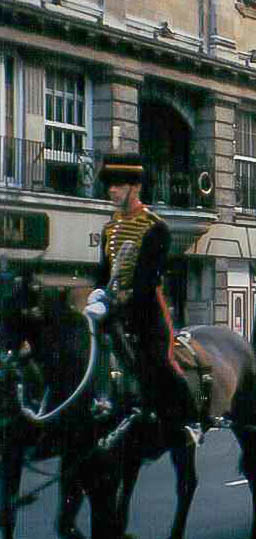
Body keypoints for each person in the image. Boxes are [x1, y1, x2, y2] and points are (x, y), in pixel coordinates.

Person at [89, 152, 197, 450]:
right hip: (110, 311)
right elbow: (103, 271)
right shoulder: (109, 228)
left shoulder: (155, 227)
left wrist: (120, 300)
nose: (111, 191)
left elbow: (147, 281)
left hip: (145, 312)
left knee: (159, 361)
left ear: (135, 188)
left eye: (118, 185)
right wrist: (96, 293)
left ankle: (186, 421)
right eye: (109, 185)